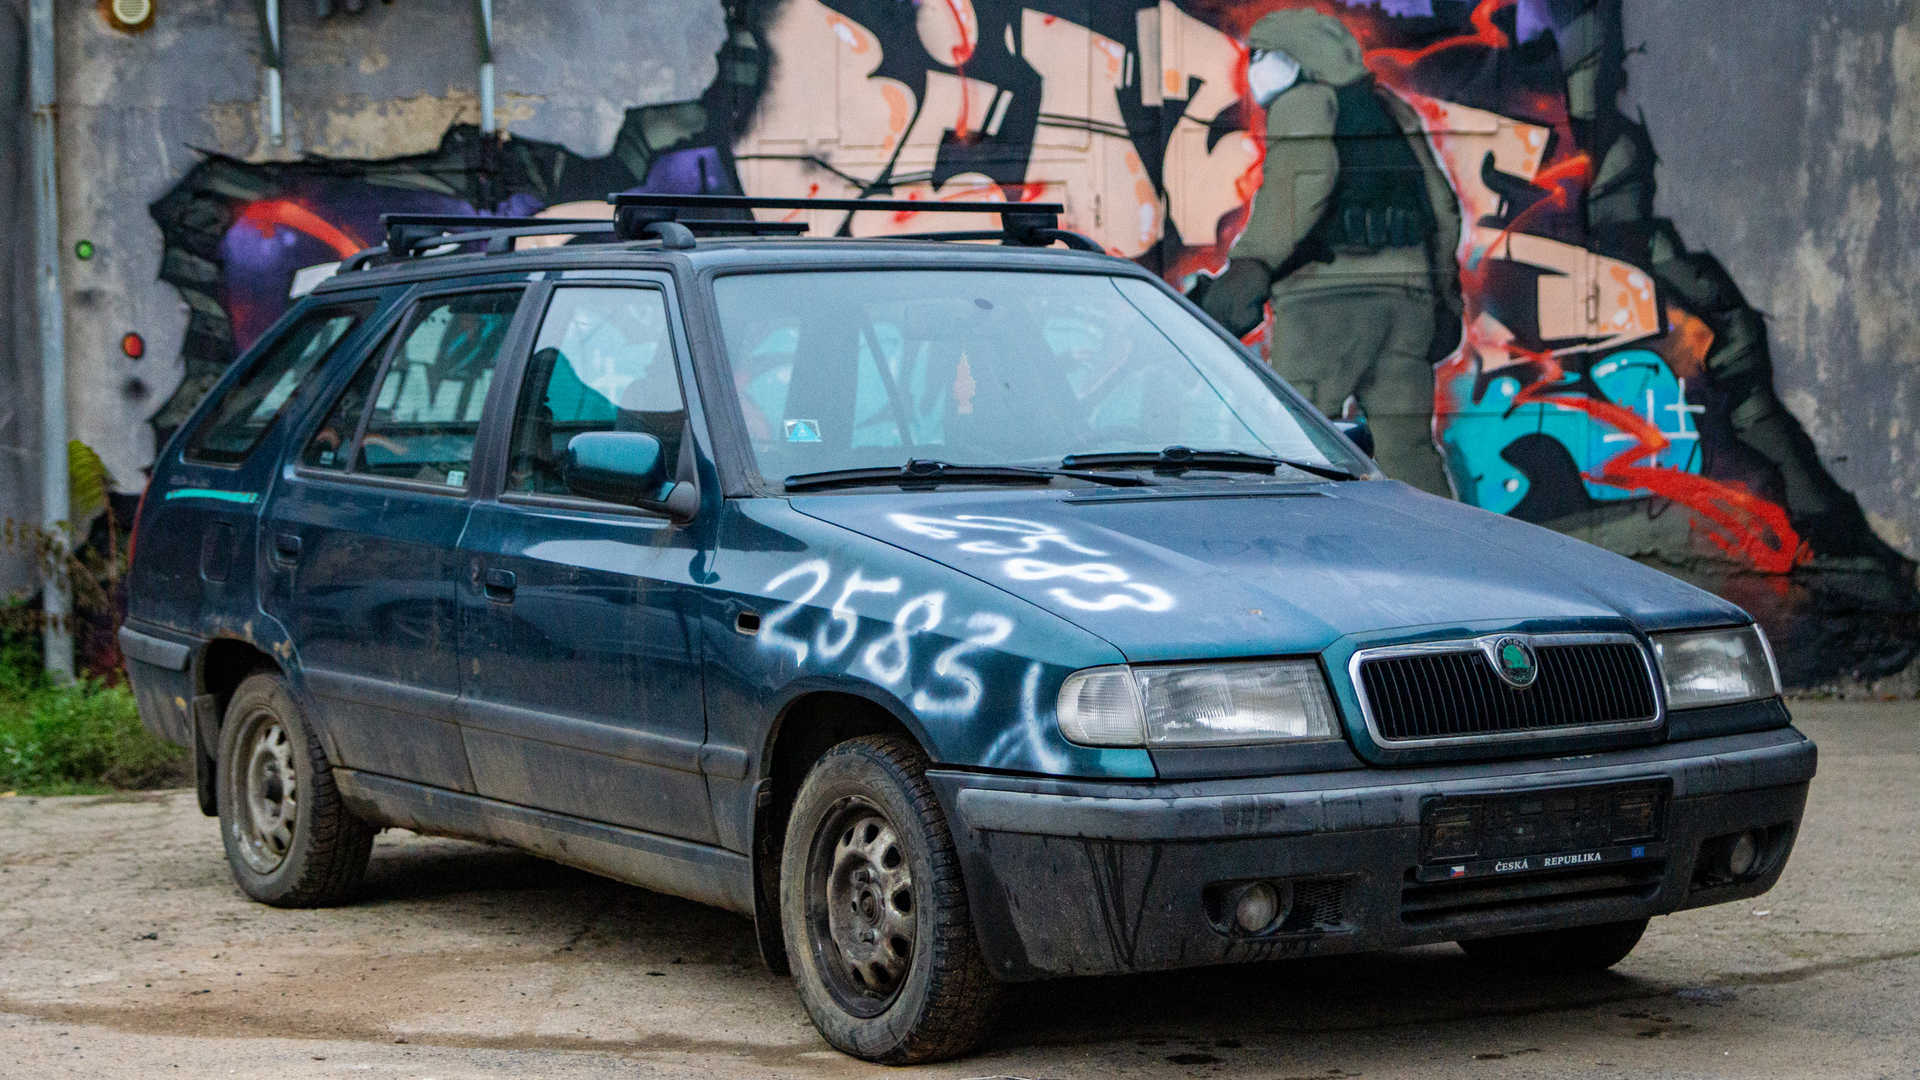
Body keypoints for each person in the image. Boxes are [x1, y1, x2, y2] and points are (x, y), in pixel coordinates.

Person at [1196, 9, 1461, 497]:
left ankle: (1298, 554)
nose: (1254, 68)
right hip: (1408, 301)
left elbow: (1293, 197)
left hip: (1327, 302)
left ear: (1295, 59)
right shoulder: (1391, 111)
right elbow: (1443, 208)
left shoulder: (1305, 104)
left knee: (1297, 442)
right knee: (1407, 449)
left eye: (1262, 56)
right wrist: (1445, 297)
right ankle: (1447, 552)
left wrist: (1247, 271)